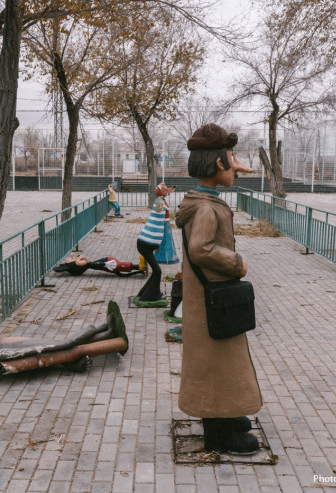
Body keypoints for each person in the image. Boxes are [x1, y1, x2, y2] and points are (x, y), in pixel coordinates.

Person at [177, 123, 262, 455]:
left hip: (210, 298)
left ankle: (226, 413)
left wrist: (234, 163)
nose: (236, 166)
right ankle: (218, 433)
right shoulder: (207, 208)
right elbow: (201, 249)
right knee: (216, 362)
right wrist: (236, 263)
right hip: (213, 299)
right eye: (231, 158)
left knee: (221, 361)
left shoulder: (202, 200)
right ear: (218, 163)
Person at [135, 182, 175, 303]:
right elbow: (159, 214)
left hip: (145, 243)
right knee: (157, 271)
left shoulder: (159, 202)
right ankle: (152, 295)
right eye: (165, 191)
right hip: (145, 244)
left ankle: (144, 293)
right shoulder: (160, 203)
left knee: (156, 271)